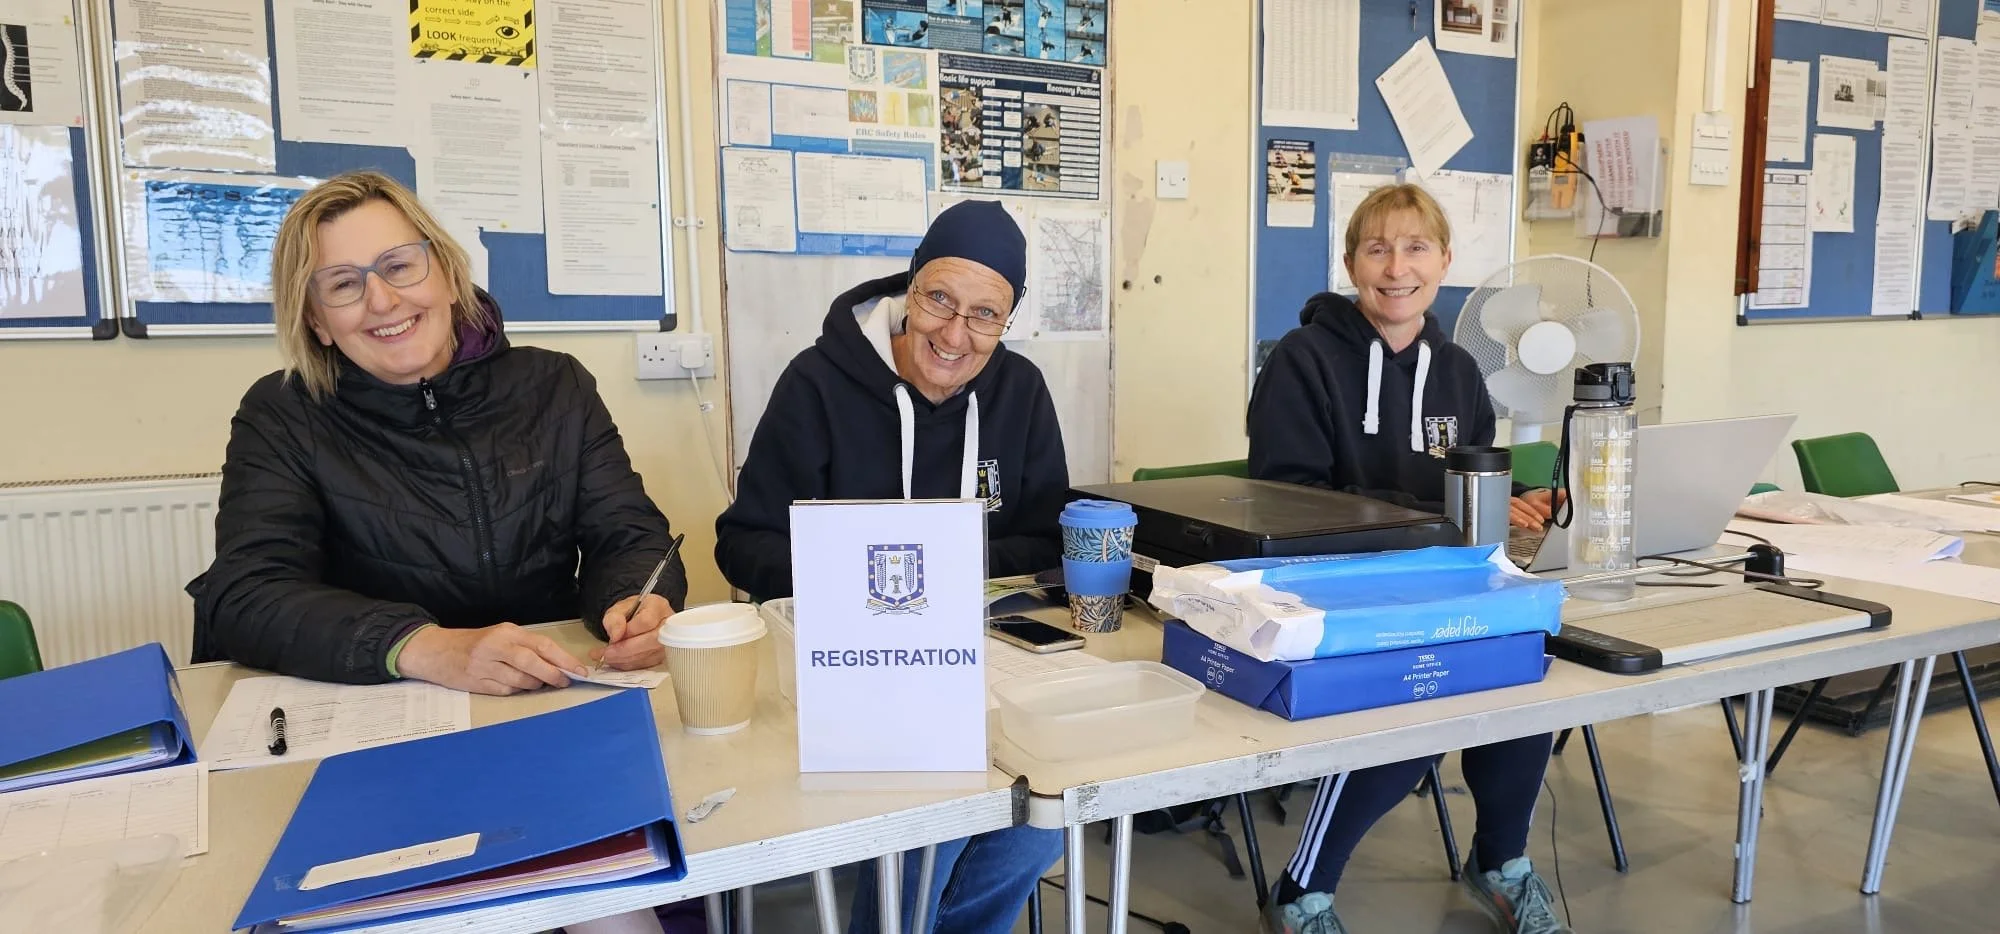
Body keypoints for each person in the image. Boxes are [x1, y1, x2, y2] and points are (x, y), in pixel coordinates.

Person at [189, 169, 688, 695]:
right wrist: (426, 647)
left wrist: (639, 600)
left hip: (550, 687)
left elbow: (630, 535)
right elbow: (247, 594)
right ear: (316, 323)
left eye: (399, 266)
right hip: (384, 705)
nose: (381, 301)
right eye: (343, 284)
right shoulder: (282, 414)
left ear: (448, 276)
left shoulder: (556, 385)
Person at [715, 200, 1066, 934]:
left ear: (1007, 321)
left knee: (1043, 821)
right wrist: (866, 564)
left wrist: (937, 559)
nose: (954, 333)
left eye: (984, 315)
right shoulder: (817, 383)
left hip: (984, 659)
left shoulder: (1022, 391)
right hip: (847, 664)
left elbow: (1047, 542)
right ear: (910, 289)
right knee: (933, 816)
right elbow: (742, 544)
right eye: (940, 299)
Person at [1246, 183, 1569, 934]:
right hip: (1336, 583)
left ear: (1446, 260)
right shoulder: (1302, 359)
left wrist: (1517, 494)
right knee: (1415, 690)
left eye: (1416, 246)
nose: (1397, 266)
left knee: (1525, 668)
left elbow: (1463, 470)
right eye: (1377, 247)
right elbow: (1287, 499)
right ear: (1352, 263)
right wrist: (1430, 514)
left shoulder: (1457, 369)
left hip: (1440, 574)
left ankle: (1500, 862)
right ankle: (1303, 890)